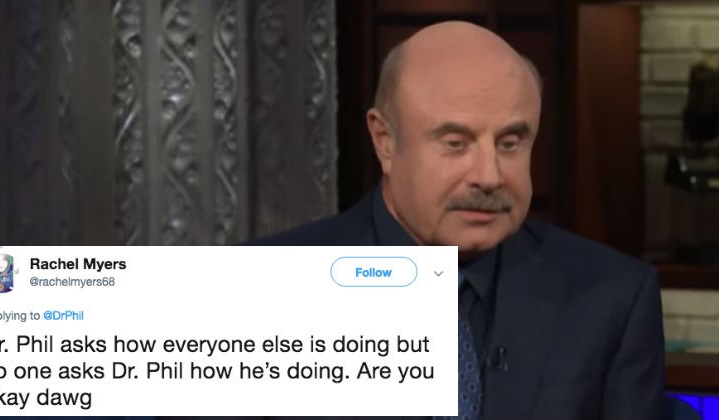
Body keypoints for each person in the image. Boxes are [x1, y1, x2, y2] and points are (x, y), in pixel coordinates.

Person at [250, 21, 665, 419]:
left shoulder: (613, 298)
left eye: (509, 143)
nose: (489, 176)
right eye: (455, 143)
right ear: (385, 141)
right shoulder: (261, 296)